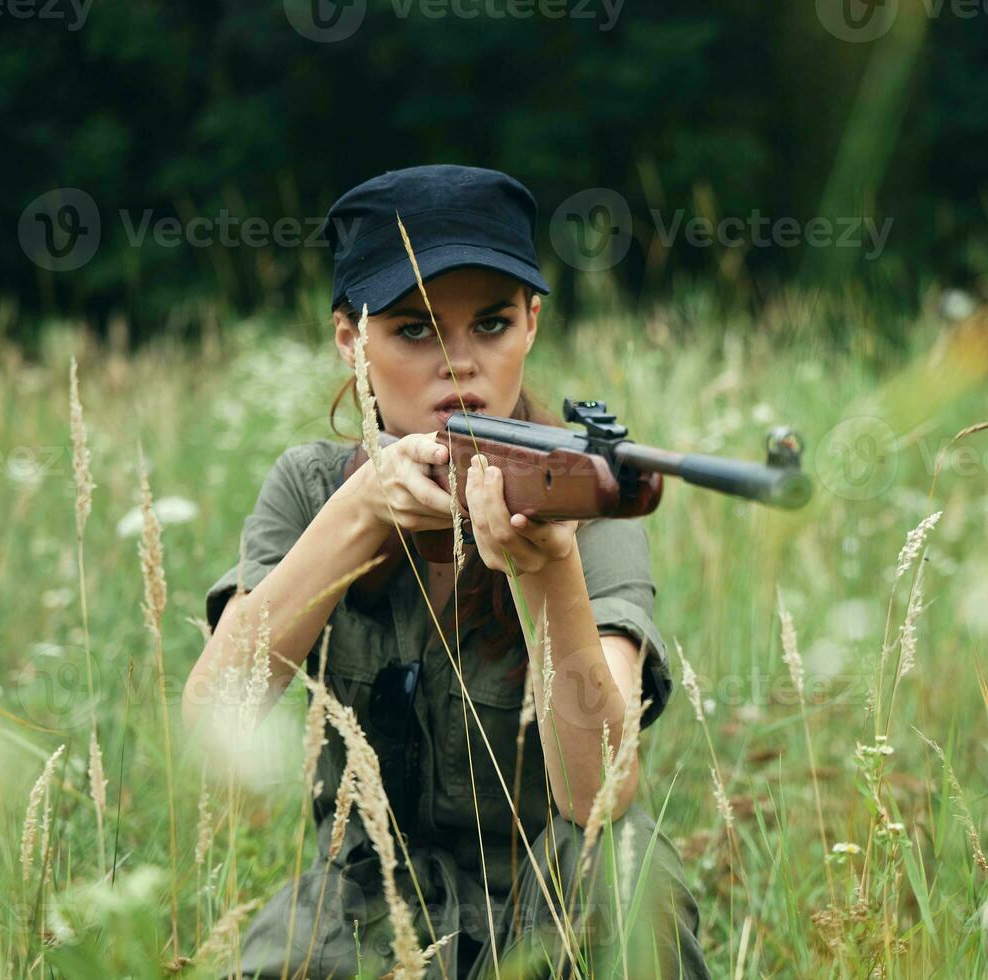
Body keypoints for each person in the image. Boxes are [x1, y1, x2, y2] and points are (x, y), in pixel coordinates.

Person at [183, 164, 712, 979]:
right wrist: (359, 514)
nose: (459, 364)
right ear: (351, 341)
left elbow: (597, 795)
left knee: (630, 872)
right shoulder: (312, 489)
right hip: (372, 894)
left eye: (492, 324)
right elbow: (210, 722)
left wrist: (551, 574)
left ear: (532, 324)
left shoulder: (580, 495)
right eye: (415, 329)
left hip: (552, 883)